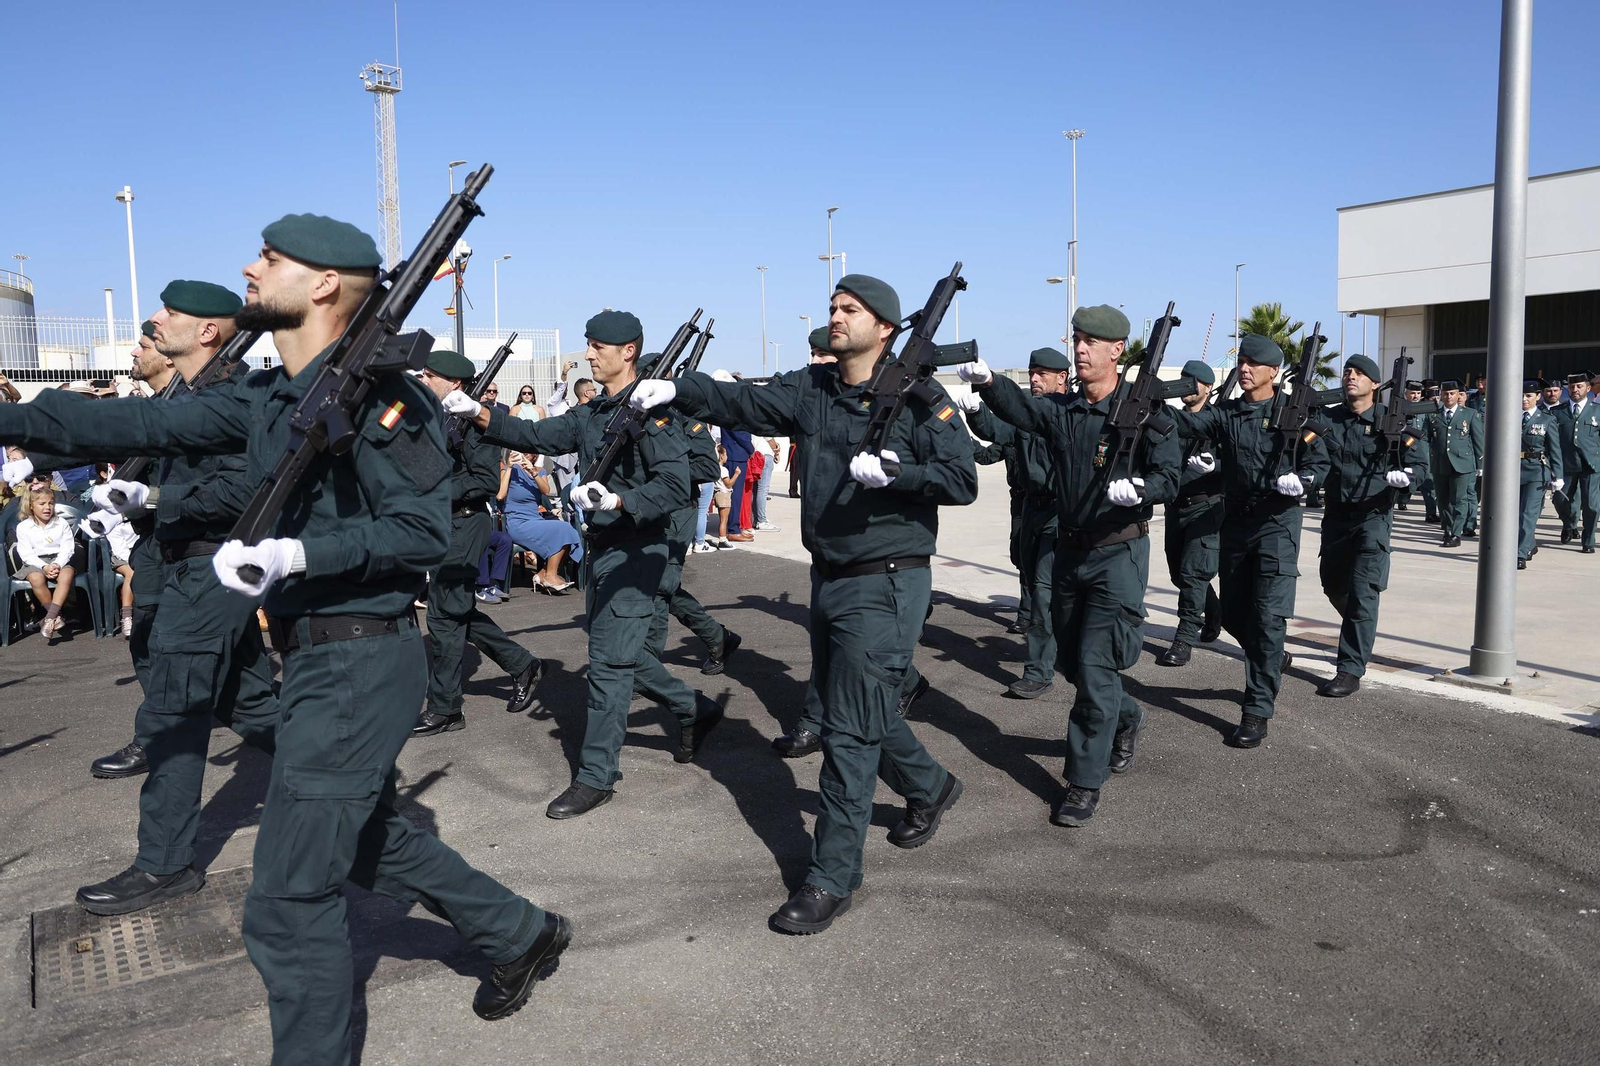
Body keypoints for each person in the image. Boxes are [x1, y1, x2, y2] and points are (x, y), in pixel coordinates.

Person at [0, 214, 571, 1061]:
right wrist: (20, 420)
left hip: (364, 660)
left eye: (270, 259)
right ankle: (517, 930)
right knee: (370, 836)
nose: (249, 267)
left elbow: (420, 533)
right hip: (308, 662)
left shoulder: (391, 405)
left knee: (287, 901)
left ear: (325, 285)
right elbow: (146, 426)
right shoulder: (270, 395)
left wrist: (306, 551)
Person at [633, 273, 975, 933]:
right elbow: (744, 402)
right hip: (830, 575)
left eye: (851, 309)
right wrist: (681, 387)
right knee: (860, 704)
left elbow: (961, 479)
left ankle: (831, 877)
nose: (836, 316)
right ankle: (929, 785)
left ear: (886, 327)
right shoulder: (813, 388)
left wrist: (902, 475)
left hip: (888, 578)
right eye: (833, 307)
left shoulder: (924, 399)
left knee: (848, 731)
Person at [449, 309, 721, 820]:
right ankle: (692, 706)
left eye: (597, 347)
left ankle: (596, 776)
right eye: (587, 344)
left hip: (639, 549)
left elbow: (674, 484)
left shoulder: (654, 414)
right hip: (601, 551)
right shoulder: (592, 413)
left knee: (609, 666)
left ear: (628, 353)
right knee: (615, 652)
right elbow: (536, 437)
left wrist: (618, 502)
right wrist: (479, 414)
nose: (589, 354)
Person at [960, 305, 1179, 824]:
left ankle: (1082, 781)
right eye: (1076, 339)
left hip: (1118, 553)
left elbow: (1170, 476)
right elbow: (1023, 410)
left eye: (1089, 342)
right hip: (1069, 550)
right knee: (1070, 663)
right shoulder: (1066, 410)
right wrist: (990, 383)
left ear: (1116, 350)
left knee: (1097, 667)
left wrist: (1144, 489)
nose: (1079, 349)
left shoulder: (1147, 412)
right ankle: (1126, 717)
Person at [1173, 333, 1329, 749]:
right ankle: (1271, 656)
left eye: (1254, 364)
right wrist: (1154, 404)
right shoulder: (1229, 413)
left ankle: (1256, 709)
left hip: (1277, 523)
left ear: (1273, 372)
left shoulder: (1295, 410)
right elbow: (1189, 422)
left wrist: (1306, 481)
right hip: (1236, 523)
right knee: (1235, 617)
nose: (1245, 368)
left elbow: (1319, 459)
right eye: (1242, 362)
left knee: (1267, 618)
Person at [412, 349, 545, 737]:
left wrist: (433, 490)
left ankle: (445, 708)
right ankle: (522, 664)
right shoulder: (435, 416)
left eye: (429, 375)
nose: (422, 380)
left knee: (442, 616)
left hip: (466, 522)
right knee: (453, 611)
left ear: (454, 383)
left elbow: (484, 481)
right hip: (443, 524)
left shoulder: (475, 423)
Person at [956, 346, 1070, 698]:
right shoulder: (1025, 415)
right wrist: (975, 411)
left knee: (1044, 592)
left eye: (1042, 374)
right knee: (1037, 587)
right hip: (1030, 511)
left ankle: (1038, 670)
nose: (1034, 379)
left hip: (1059, 515)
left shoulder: (1071, 413)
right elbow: (999, 433)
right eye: (1031, 372)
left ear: (1062, 378)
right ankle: (1061, 649)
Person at [1315, 355, 1422, 697]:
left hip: (1373, 516)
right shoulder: (1327, 418)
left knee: (1363, 593)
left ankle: (1349, 668)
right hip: (1335, 514)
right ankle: (1361, 627)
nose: (1351, 376)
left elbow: (1419, 462)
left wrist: (1406, 477)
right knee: (1332, 584)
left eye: (1360, 373)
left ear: (1376, 384)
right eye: (1348, 371)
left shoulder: (1391, 421)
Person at [640, 353, 741, 676]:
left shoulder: (685, 418)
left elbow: (709, 467)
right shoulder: (638, 415)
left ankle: (647, 671)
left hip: (678, 510)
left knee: (658, 587)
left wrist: (667, 473)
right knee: (658, 585)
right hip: (646, 512)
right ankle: (717, 636)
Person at [1155, 360, 1224, 667]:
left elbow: (1241, 458)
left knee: (1193, 574)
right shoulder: (1174, 420)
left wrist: (1216, 465)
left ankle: (1184, 638)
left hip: (1207, 506)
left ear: (1207, 387)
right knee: (1178, 573)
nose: (1186, 385)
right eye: (1183, 379)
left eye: (1192, 381)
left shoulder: (1219, 421)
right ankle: (1215, 610)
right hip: (1176, 506)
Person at [502, 450, 580, 591]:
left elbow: (546, 490)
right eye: (521, 453)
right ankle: (549, 576)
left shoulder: (540, 471)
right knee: (564, 530)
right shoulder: (508, 469)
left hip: (535, 518)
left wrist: (533, 472)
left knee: (567, 530)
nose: (524, 456)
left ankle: (545, 574)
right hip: (518, 521)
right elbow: (500, 495)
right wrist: (509, 467)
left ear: (535, 456)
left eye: (528, 454)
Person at [13, 483, 78, 636]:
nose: (47, 507)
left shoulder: (61, 523)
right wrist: (44, 567)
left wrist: (57, 563)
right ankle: (56, 615)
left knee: (66, 575)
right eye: (42, 504)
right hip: (35, 562)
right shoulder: (23, 527)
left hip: (58, 559)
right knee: (36, 578)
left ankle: (49, 619)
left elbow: (67, 548)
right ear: (31, 506)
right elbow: (26, 553)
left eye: (51, 503)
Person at [1429, 380, 1484, 548]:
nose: (1448, 397)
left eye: (1452, 393)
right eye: (1445, 394)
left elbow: (1478, 441)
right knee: (1443, 500)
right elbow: (1428, 439)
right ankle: (1447, 529)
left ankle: (1456, 533)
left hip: (1463, 464)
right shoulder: (1434, 415)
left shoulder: (1470, 414)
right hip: (1440, 464)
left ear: (1459, 395)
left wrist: (1480, 465)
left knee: (1459, 500)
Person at [1516, 379, 1564, 570]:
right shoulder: (1509, 416)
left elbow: (1555, 450)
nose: (1524, 399)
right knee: (1514, 514)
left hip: (1537, 470)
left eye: (1528, 396)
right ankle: (1529, 544)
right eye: (1521, 395)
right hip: (1511, 471)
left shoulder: (1546, 419)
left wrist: (1558, 475)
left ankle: (1520, 553)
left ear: (1538, 397)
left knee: (1528, 513)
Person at [1553, 372, 1599, 552]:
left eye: (1579, 386)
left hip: (1591, 465)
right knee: (1559, 500)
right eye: (1572, 387)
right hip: (1566, 464)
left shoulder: (1597, 410)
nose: (1575, 390)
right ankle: (1570, 524)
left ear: (1588, 389)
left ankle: (1588, 540)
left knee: (1591, 505)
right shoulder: (1558, 412)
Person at [1403, 380, 1438, 523]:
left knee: (1428, 482)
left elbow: (1430, 430)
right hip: (1406, 447)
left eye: (1418, 393)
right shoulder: (1401, 407)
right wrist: (1410, 443)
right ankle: (1399, 502)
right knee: (1405, 479)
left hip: (1423, 449)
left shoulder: (1426, 408)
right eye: (1413, 393)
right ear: (1406, 394)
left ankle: (1430, 513)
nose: (1416, 396)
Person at [752, 435, 782, 531]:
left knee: (756, 490)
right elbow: (768, 437)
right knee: (763, 489)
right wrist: (776, 450)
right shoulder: (762, 420)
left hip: (756, 454)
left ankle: (757, 519)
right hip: (765, 455)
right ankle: (761, 520)